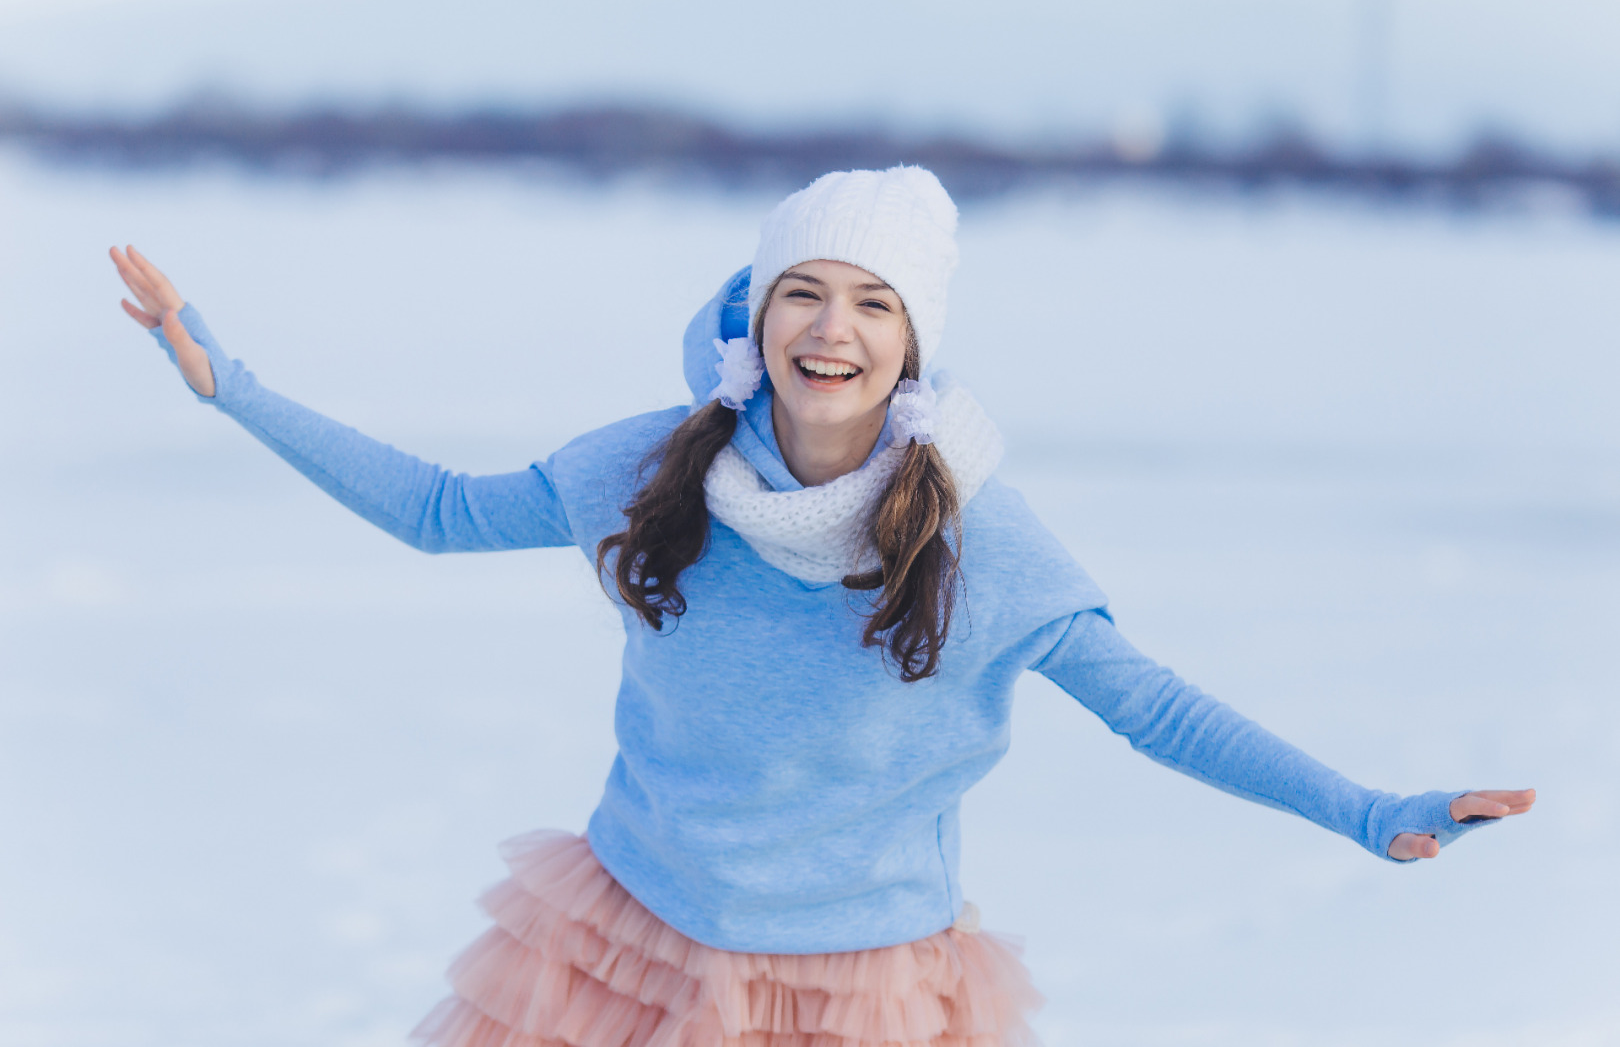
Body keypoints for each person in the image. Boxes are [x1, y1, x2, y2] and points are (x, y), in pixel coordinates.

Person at [110, 165, 1533, 1047]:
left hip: (865, 987)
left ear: (913, 344)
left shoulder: (981, 545)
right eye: (801, 291)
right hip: (629, 948)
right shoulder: (641, 472)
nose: (830, 327)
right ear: (754, 321)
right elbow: (434, 511)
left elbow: (1151, 703)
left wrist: (1367, 810)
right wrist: (232, 387)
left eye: (871, 301)